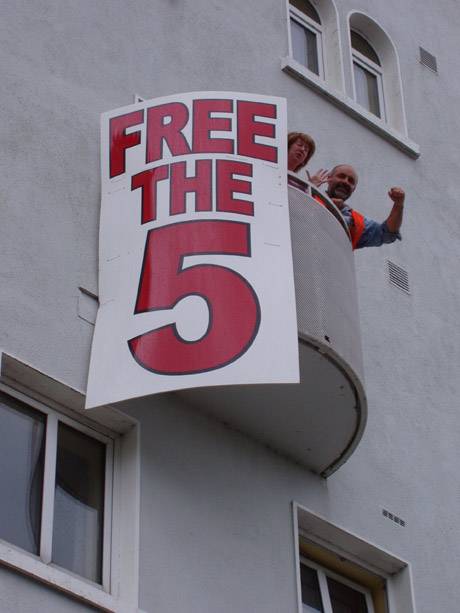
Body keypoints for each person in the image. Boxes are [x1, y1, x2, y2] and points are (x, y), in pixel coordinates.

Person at [323, 164, 405, 250]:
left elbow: (386, 234)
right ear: (329, 178)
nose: (345, 181)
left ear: (353, 189)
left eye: (351, 181)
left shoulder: (357, 222)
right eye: (341, 176)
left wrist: (398, 204)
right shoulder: (310, 196)